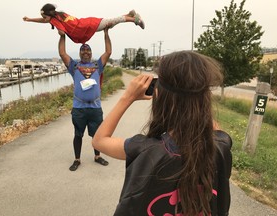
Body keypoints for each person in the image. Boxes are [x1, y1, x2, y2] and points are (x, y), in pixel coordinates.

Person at [92, 51, 232, 215]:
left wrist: (127, 97)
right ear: (205, 99)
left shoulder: (146, 150)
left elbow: (99, 140)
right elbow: (212, 126)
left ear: (158, 95)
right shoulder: (221, 144)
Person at [58, 25, 111, 171]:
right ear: (80, 53)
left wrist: (106, 33)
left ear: (91, 53)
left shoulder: (97, 65)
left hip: (95, 107)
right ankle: (77, 159)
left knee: (97, 135)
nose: (86, 52)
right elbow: (62, 53)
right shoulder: (74, 66)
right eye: (83, 50)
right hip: (79, 108)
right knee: (78, 134)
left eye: (88, 50)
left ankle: (97, 156)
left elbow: (108, 51)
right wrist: (62, 36)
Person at [23, 3, 145, 44]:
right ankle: (129, 15)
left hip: (87, 27)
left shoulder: (55, 20)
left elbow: (61, 32)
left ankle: (134, 19)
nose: (44, 19)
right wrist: (30, 20)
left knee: (110, 22)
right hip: (87, 22)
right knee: (110, 23)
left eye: (44, 17)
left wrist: (61, 34)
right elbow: (44, 21)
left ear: (49, 15)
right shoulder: (60, 14)